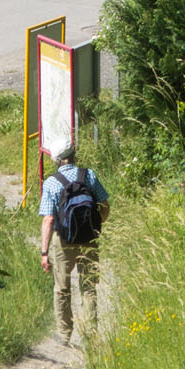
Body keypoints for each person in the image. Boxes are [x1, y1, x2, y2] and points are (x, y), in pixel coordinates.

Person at [39, 142, 109, 349]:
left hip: (63, 241)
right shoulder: (89, 175)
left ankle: (64, 334)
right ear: (74, 156)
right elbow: (105, 206)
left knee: (62, 288)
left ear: (57, 160)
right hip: (89, 240)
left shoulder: (51, 182)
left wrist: (44, 252)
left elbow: (48, 220)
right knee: (88, 287)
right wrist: (96, 226)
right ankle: (89, 333)